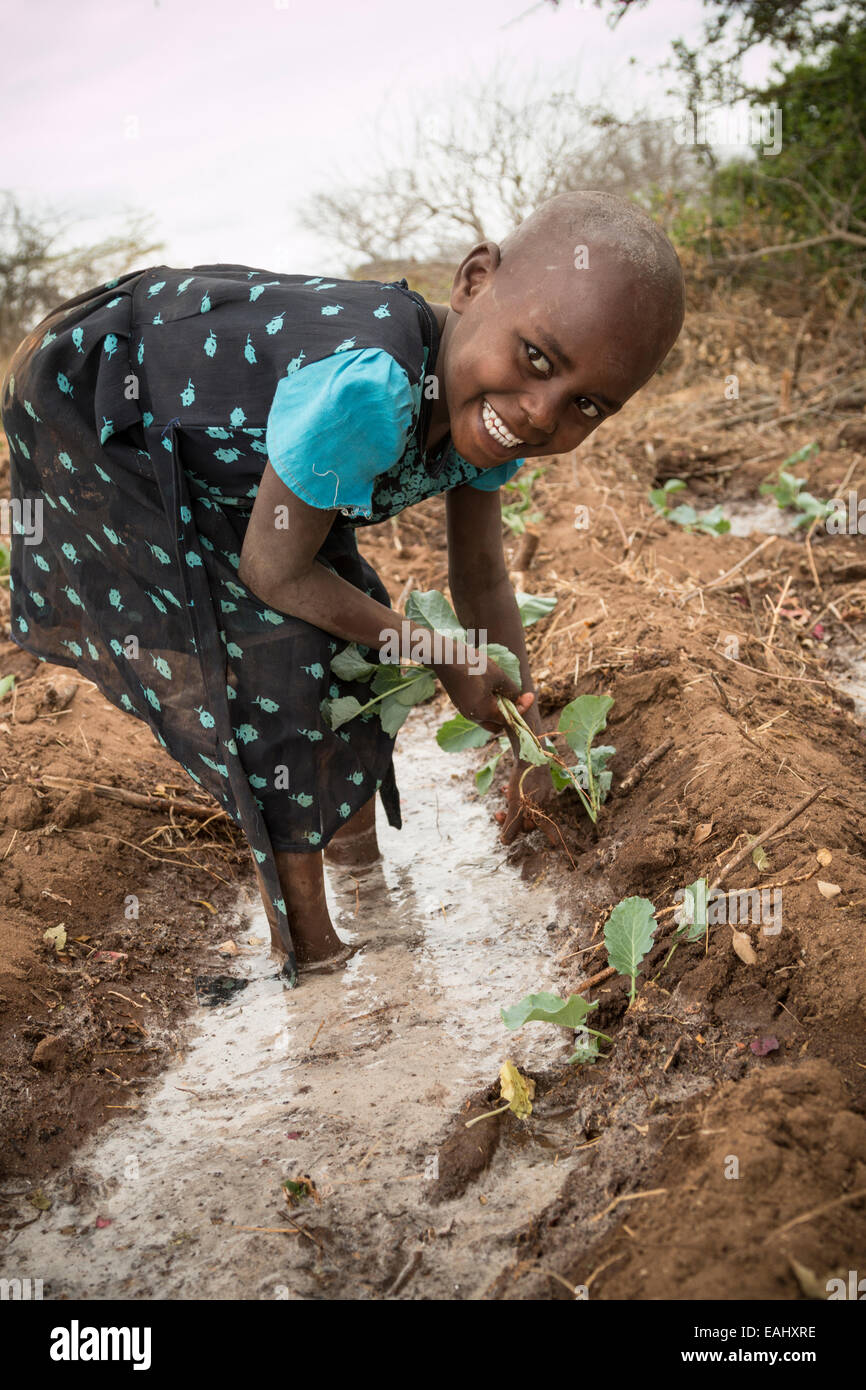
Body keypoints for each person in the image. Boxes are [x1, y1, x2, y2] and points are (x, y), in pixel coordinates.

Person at [0, 190, 685, 981]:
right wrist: (442, 655)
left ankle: (360, 863)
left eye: (587, 405)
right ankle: (314, 962)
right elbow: (274, 570)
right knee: (279, 667)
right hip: (101, 400)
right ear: (473, 282)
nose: (539, 414)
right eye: (536, 358)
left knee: (354, 632)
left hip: (238, 465)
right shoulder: (372, 387)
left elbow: (482, 574)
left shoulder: (487, 412)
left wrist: (526, 726)